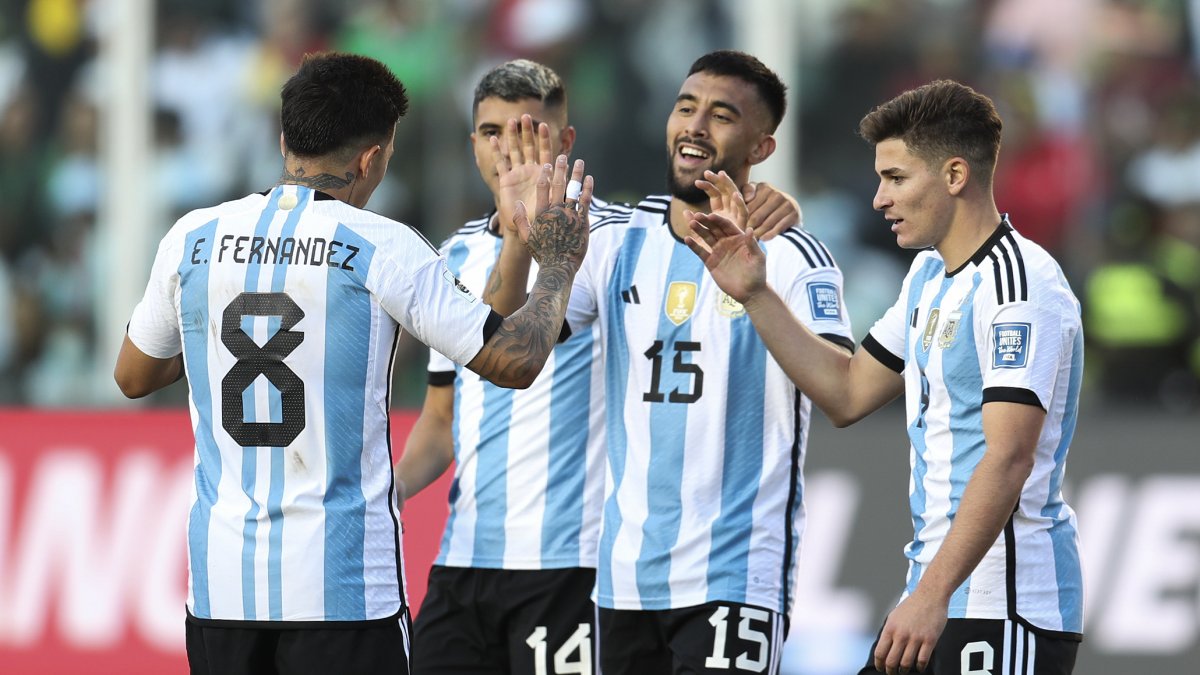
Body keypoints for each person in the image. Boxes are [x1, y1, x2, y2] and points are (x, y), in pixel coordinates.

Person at [113, 51, 594, 675]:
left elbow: (133, 376)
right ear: (371, 158)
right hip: (341, 589)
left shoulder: (193, 237)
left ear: (285, 139)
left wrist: (210, 332)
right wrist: (556, 263)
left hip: (220, 590)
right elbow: (515, 360)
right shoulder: (385, 247)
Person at [396, 58, 803, 675]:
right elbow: (444, 411)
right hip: (466, 555)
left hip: (574, 563)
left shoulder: (604, 238)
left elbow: (678, 224)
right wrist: (384, 495)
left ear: (564, 143)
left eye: (528, 132)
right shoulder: (455, 252)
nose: (510, 150)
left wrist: (763, 198)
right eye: (491, 132)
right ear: (471, 142)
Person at [685, 79, 1083, 675]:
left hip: (1004, 605)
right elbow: (848, 393)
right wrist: (756, 294)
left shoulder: (1018, 285)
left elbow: (1009, 458)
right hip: (940, 594)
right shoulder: (929, 276)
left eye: (895, 178)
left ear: (954, 176)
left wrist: (931, 596)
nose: (878, 199)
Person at [486, 50, 853, 675]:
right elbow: (506, 351)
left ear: (761, 147)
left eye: (721, 115)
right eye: (686, 107)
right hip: (625, 579)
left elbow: (840, 390)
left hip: (734, 571)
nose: (696, 126)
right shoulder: (617, 240)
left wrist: (758, 295)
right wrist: (521, 242)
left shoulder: (792, 256)